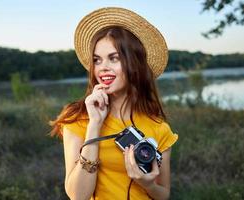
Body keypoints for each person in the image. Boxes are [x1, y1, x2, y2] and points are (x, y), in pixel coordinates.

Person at [51, 7, 178, 200]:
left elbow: (164, 194)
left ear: (134, 63)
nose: (103, 68)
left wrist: (147, 184)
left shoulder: (159, 128)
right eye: (97, 60)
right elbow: (78, 196)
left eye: (114, 58)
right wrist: (94, 124)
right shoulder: (78, 119)